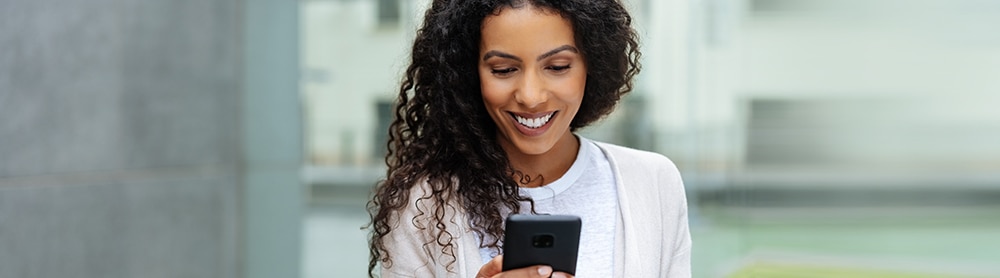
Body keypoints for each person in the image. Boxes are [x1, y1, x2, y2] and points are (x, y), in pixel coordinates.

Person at [367, 0, 691, 277]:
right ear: (467, 74)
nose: (531, 96)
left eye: (558, 66)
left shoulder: (653, 183)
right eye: (504, 70)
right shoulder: (422, 206)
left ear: (591, 64)